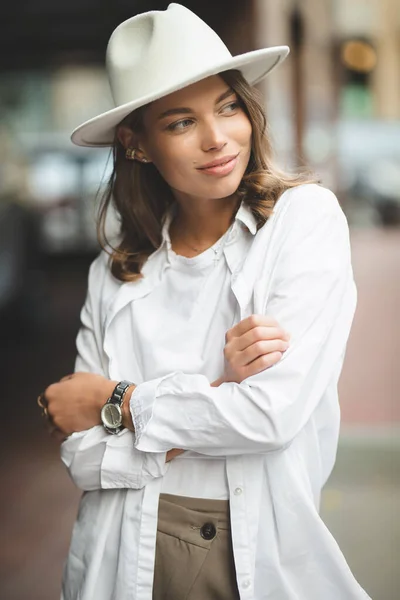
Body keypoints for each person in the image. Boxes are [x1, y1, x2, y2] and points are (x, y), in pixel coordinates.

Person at [38, 4, 372, 599]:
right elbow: (82, 459)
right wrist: (217, 391)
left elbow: (269, 417)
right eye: (179, 122)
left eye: (228, 107)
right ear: (136, 143)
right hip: (118, 558)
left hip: (254, 557)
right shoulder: (116, 271)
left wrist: (118, 402)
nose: (217, 139)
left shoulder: (301, 223)